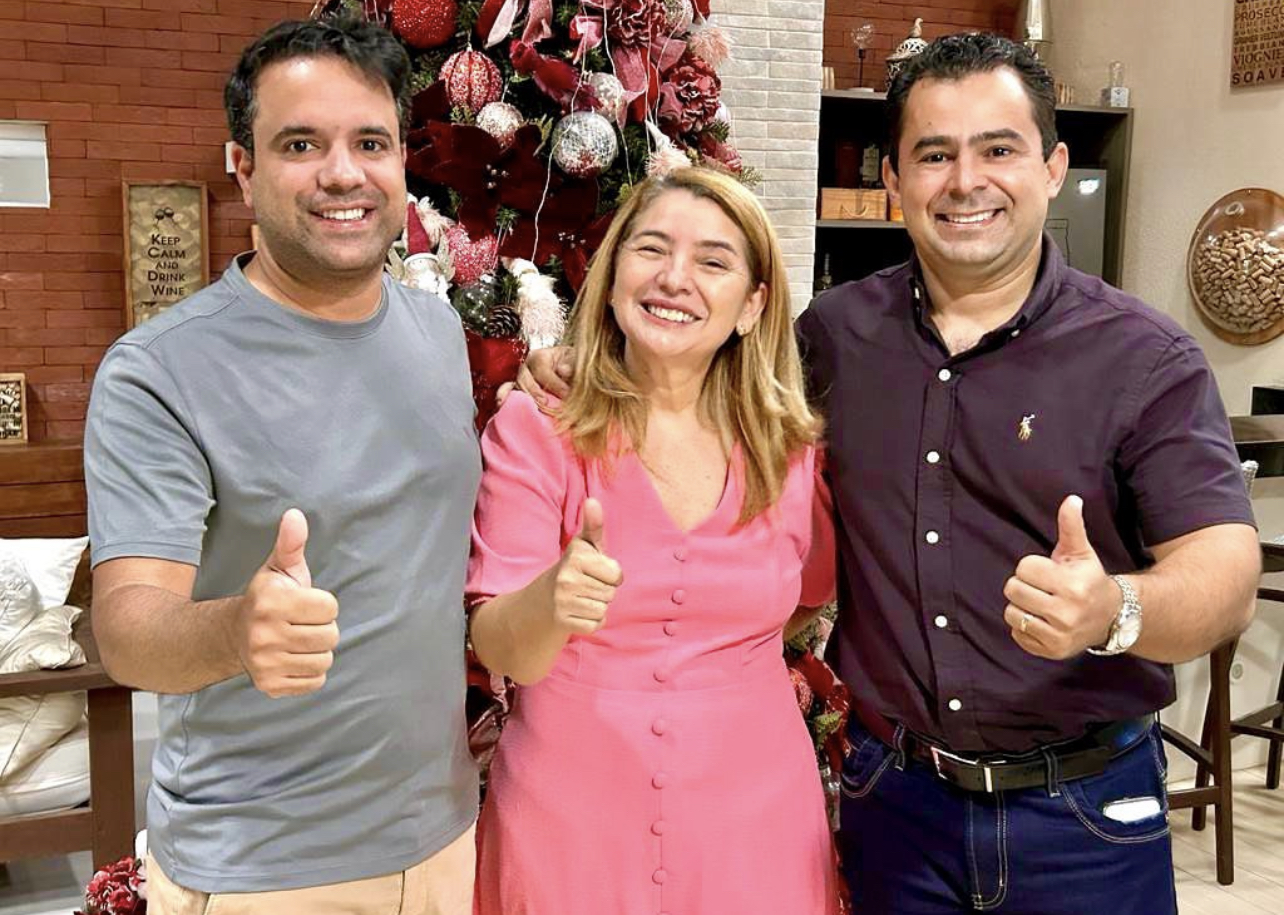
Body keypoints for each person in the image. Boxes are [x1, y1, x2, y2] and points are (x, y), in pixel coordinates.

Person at [520, 34, 1261, 915]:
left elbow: (1225, 574)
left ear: (1054, 167)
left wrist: (1115, 609)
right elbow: (704, 392)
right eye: (934, 155)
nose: (965, 181)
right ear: (894, 179)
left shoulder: (1144, 357)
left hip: (1082, 814)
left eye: (998, 149)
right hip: (894, 806)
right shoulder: (832, 337)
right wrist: (583, 365)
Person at [84, 19, 479, 915]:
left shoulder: (438, 332)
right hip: (263, 866)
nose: (343, 174)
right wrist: (236, 629)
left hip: (444, 838)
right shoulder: (161, 370)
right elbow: (128, 628)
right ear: (243, 168)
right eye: (301, 144)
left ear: (401, 162)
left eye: (370, 143)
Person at [467, 167, 839, 914]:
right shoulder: (537, 429)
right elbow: (503, 647)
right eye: (652, 249)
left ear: (752, 305)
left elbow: (811, 595)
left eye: (713, 261)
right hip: (568, 825)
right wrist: (551, 602)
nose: (675, 278)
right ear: (611, 280)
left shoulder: (788, 449)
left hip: (757, 829)